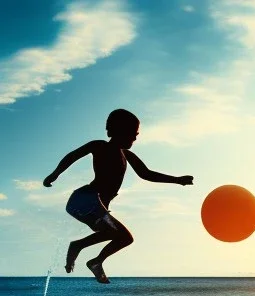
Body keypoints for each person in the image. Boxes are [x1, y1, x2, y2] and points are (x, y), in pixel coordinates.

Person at [43, 109, 194, 284]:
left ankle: (94, 260)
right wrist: (55, 174)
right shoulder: (100, 145)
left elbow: (146, 174)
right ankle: (80, 248)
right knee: (113, 232)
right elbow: (73, 156)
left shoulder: (127, 155)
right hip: (86, 198)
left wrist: (177, 180)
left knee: (124, 238)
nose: (135, 138)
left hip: (93, 205)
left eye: (136, 134)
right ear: (114, 131)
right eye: (131, 133)